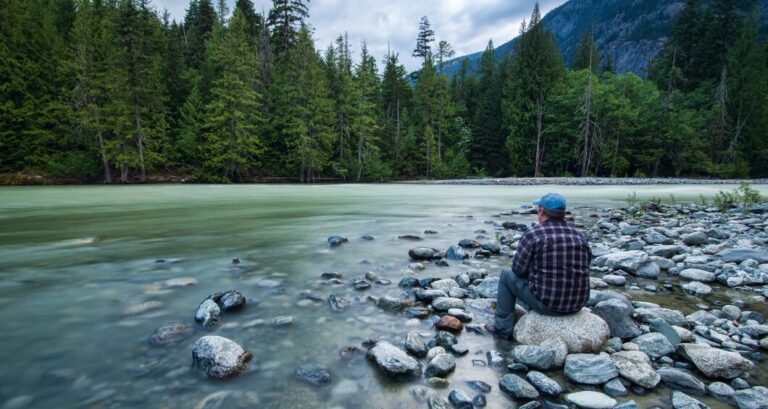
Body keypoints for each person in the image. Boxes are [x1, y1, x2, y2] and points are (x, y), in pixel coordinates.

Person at [490, 193, 592, 339]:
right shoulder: (579, 235)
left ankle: (502, 330)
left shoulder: (533, 234)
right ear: (563, 214)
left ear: (541, 211)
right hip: (577, 304)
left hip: (549, 305)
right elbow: (586, 265)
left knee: (506, 276)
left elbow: (517, 270)